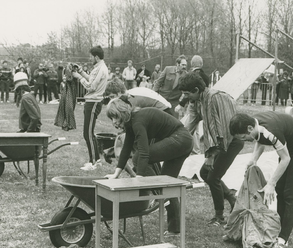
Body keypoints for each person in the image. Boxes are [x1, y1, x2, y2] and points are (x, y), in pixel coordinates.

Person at [105, 98, 193, 236]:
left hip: (180, 139)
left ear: (123, 112)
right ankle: (175, 229)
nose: (114, 122)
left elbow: (144, 152)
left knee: (138, 157)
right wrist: (115, 174)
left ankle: (154, 188)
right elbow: (126, 149)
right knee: (167, 185)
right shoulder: (131, 123)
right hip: (183, 142)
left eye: (115, 117)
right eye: (111, 118)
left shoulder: (138, 121)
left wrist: (140, 178)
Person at [229, 112, 293, 248]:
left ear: (250, 128)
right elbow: (260, 139)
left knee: (290, 193)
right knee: (281, 191)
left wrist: (271, 183)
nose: (245, 141)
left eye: (244, 137)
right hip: (288, 148)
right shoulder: (255, 124)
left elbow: (286, 159)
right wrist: (253, 159)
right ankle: (279, 228)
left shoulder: (270, 131)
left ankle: (283, 239)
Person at [178, 72, 244, 226]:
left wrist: (211, 155)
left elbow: (224, 128)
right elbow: (188, 124)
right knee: (204, 173)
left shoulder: (215, 98)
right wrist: (175, 137)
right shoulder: (197, 101)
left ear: (196, 89)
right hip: (218, 143)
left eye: (187, 94)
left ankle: (219, 216)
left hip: (231, 141)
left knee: (213, 177)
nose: (186, 97)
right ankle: (232, 199)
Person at [72, 45, 109, 171]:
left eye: (91, 57)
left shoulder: (100, 68)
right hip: (91, 102)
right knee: (88, 133)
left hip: (93, 102)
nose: (89, 59)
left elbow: (91, 86)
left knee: (88, 133)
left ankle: (94, 162)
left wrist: (78, 77)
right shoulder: (98, 67)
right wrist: (82, 72)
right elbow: (92, 79)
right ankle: (95, 160)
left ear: (96, 57)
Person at [54, 65, 77, 131]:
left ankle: (68, 123)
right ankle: (65, 123)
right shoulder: (67, 77)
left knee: (69, 108)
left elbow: (71, 79)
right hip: (66, 93)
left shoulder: (74, 76)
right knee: (65, 108)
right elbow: (68, 79)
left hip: (71, 93)